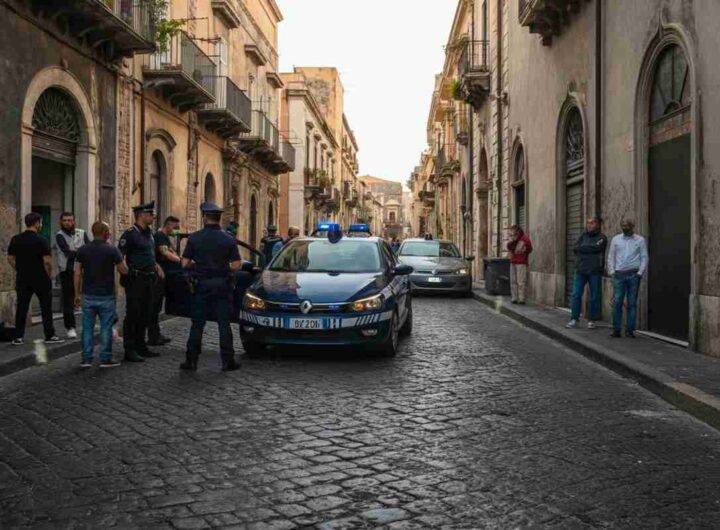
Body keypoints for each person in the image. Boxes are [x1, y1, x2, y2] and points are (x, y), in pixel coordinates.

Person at [181, 203, 243, 372]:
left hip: (201, 284)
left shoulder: (194, 238)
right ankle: (227, 361)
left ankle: (191, 360)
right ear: (219, 219)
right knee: (224, 323)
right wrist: (223, 268)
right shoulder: (229, 239)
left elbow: (185, 262)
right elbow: (237, 265)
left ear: (204, 217)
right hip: (222, 284)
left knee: (197, 324)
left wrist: (197, 266)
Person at [74, 221, 128, 368]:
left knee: (87, 328)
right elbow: (123, 270)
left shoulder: (83, 250)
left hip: (88, 294)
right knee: (106, 327)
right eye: (108, 230)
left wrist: (77, 294)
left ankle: (86, 359)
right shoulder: (112, 250)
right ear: (105, 233)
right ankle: (105, 358)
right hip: (106, 295)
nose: (110, 233)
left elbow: (77, 273)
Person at [7, 213, 65, 346]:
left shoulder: (16, 239)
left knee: (22, 307)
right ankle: (49, 335)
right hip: (40, 278)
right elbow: (47, 262)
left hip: (23, 278)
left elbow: (10, 258)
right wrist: (48, 275)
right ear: (37, 223)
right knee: (46, 308)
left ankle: (18, 337)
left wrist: (20, 269)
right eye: (40, 222)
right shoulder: (41, 240)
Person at [118, 201, 164, 362]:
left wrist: (156, 266)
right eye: (151, 214)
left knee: (146, 313)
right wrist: (126, 274)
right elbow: (120, 257)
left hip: (149, 279)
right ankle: (129, 349)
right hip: (136, 279)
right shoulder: (130, 234)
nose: (153, 216)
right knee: (133, 314)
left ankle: (141, 346)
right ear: (142, 215)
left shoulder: (149, 233)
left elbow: (149, 254)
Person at [607, 219, 649, 338]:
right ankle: (616, 329)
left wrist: (640, 273)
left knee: (632, 304)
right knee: (617, 302)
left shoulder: (640, 240)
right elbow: (611, 256)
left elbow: (644, 257)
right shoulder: (616, 239)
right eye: (623, 226)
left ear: (632, 226)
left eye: (627, 226)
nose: (625, 228)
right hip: (619, 275)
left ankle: (630, 330)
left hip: (633, 275)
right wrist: (612, 272)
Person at [566, 217, 608, 330]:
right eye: (588, 223)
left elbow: (597, 248)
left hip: (595, 271)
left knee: (594, 296)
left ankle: (592, 320)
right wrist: (587, 248)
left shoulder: (602, 237)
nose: (589, 225)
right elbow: (575, 248)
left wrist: (582, 248)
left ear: (597, 225)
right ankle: (574, 319)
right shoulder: (582, 236)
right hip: (580, 270)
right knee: (576, 295)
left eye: (592, 223)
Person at [55, 212, 90, 339]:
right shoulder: (59, 236)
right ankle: (70, 327)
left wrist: (76, 251)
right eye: (65, 220)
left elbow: (89, 249)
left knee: (87, 297)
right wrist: (81, 251)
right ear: (61, 221)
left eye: (70, 220)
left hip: (84, 271)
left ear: (74, 221)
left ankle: (89, 326)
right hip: (67, 271)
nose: (67, 222)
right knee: (68, 300)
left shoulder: (82, 233)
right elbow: (67, 253)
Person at [148, 215, 181, 346]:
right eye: (175, 227)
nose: (176, 230)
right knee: (154, 307)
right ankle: (153, 336)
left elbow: (171, 251)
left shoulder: (165, 237)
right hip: (157, 277)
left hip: (162, 276)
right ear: (168, 224)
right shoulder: (160, 236)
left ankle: (156, 335)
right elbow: (165, 253)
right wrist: (181, 261)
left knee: (156, 307)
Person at [507, 225, 533, 305]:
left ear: (518, 231)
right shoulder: (511, 239)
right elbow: (509, 248)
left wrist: (524, 253)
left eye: (513, 232)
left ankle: (521, 298)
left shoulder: (524, 239)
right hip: (513, 262)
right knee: (513, 281)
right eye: (511, 232)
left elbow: (529, 249)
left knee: (521, 281)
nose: (512, 234)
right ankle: (514, 298)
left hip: (521, 263)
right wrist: (511, 241)